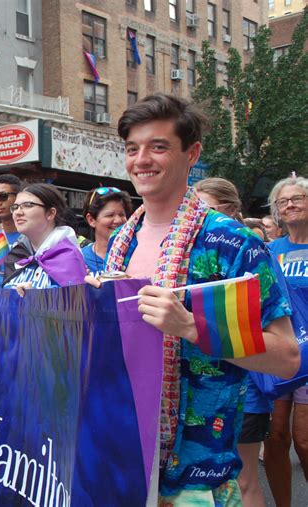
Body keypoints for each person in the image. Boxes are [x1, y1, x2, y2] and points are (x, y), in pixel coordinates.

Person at [102, 94, 299, 505]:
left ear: (192, 154)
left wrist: (191, 327)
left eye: (158, 146)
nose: (142, 160)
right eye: (132, 149)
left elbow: (285, 357)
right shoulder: (121, 241)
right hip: (121, 456)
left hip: (197, 477)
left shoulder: (232, 243)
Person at [195, 177, 271, 506]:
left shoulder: (248, 250)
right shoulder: (188, 252)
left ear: (229, 209)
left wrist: (192, 327)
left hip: (246, 383)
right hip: (200, 393)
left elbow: (274, 335)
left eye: (205, 209)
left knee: (242, 478)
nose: (197, 218)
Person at [263, 175, 308, 507]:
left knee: (304, 441)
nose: (290, 205)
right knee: (275, 437)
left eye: (298, 198)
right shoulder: (269, 250)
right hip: (278, 352)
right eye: (283, 201)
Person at [2, 183, 87, 290]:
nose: (18, 212)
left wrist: (36, 295)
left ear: (50, 213)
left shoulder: (68, 255)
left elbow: (74, 301)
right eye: (15, 207)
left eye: (28, 205)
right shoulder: (17, 254)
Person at [81, 187, 132, 274]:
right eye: (110, 215)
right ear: (91, 220)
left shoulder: (135, 255)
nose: (118, 220)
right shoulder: (80, 259)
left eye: (122, 214)